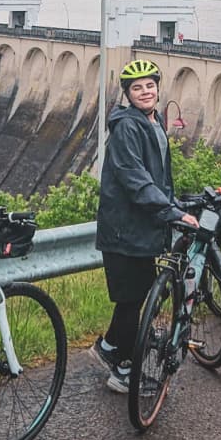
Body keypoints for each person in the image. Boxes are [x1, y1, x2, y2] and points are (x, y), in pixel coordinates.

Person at [92, 59, 197, 394]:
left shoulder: (153, 121)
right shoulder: (127, 127)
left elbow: (158, 178)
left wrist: (176, 205)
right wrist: (171, 213)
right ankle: (121, 372)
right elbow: (136, 180)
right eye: (137, 88)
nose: (145, 91)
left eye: (149, 85)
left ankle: (108, 349)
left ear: (157, 87)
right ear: (127, 94)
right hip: (125, 229)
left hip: (140, 227)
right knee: (132, 300)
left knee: (136, 297)